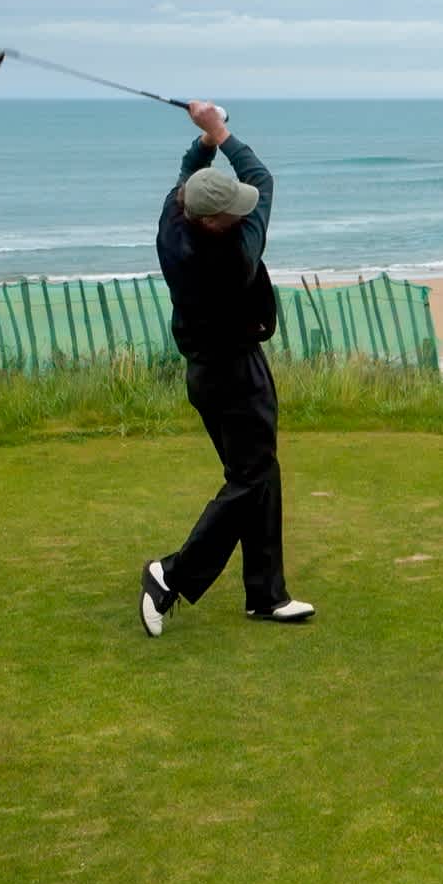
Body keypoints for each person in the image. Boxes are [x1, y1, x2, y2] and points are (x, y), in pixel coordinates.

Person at [138, 101, 315, 636]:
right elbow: (261, 177)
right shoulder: (234, 252)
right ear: (214, 222)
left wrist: (204, 143)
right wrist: (220, 130)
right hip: (238, 374)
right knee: (251, 477)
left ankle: (265, 593)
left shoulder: (173, 223)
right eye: (233, 209)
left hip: (203, 373)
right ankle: (169, 575)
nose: (244, 209)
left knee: (257, 472)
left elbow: (186, 178)